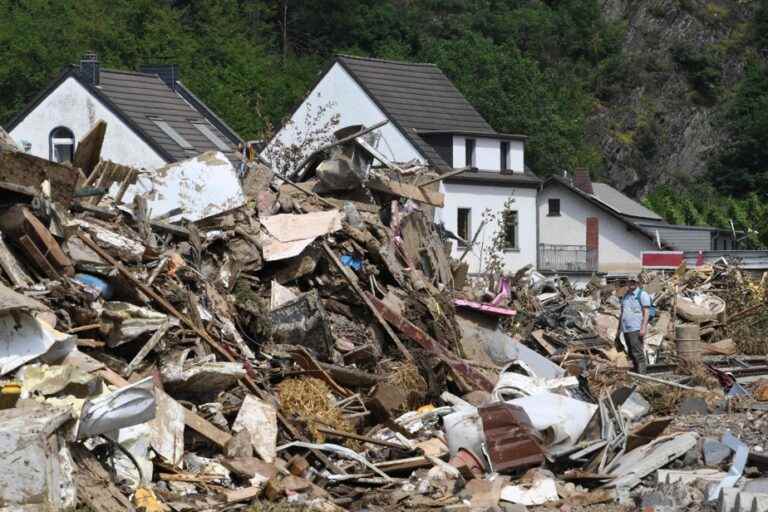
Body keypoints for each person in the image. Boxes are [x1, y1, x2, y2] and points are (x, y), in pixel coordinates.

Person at [616, 274, 651, 373]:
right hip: (626, 329)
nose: (631, 284)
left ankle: (642, 376)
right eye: (630, 282)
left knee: (637, 353)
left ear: (637, 283)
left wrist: (643, 328)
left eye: (633, 282)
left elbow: (646, 312)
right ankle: (636, 374)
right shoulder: (626, 296)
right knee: (631, 353)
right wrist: (619, 329)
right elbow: (622, 313)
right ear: (627, 283)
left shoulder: (642, 295)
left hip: (636, 328)